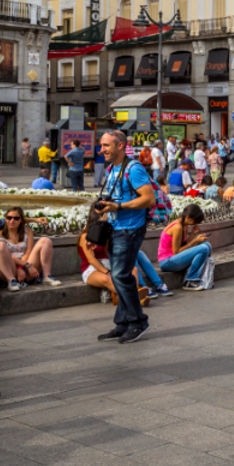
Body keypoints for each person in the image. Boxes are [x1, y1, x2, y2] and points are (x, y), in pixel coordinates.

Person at [92, 129, 156, 344]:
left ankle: (138, 322)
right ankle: (122, 325)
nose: (102, 150)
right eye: (101, 145)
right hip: (115, 227)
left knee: (120, 276)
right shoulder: (112, 168)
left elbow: (148, 199)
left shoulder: (134, 168)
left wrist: (118, 205)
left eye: (106, 145)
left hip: (130, 229)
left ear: (120, 145)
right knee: (120, 275)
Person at [0, 208, 60, 291]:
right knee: (0, 246)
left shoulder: (28, 232)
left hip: (27, 267)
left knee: (46, 241)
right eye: (9, 218)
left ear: (21, 220)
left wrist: (21, 267)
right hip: (8, 267)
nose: (12, 221)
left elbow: (28, 252)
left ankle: (47, 276)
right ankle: (11, 280)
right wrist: (25, 265)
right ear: (6, 219)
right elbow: (4, 255)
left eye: (16, 218)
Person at [158, 204, 212, 290]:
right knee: (203, 249)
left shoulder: (184, 225)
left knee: (207, 245)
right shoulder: (177, 227)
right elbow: (176, 252)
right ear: (188, 217)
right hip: (166, 262)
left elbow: (183, 244)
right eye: (195, 221)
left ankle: (203, 276)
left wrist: (193, 234)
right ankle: (190, 280)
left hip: (174, 258)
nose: (195, 224)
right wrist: (195, 241)